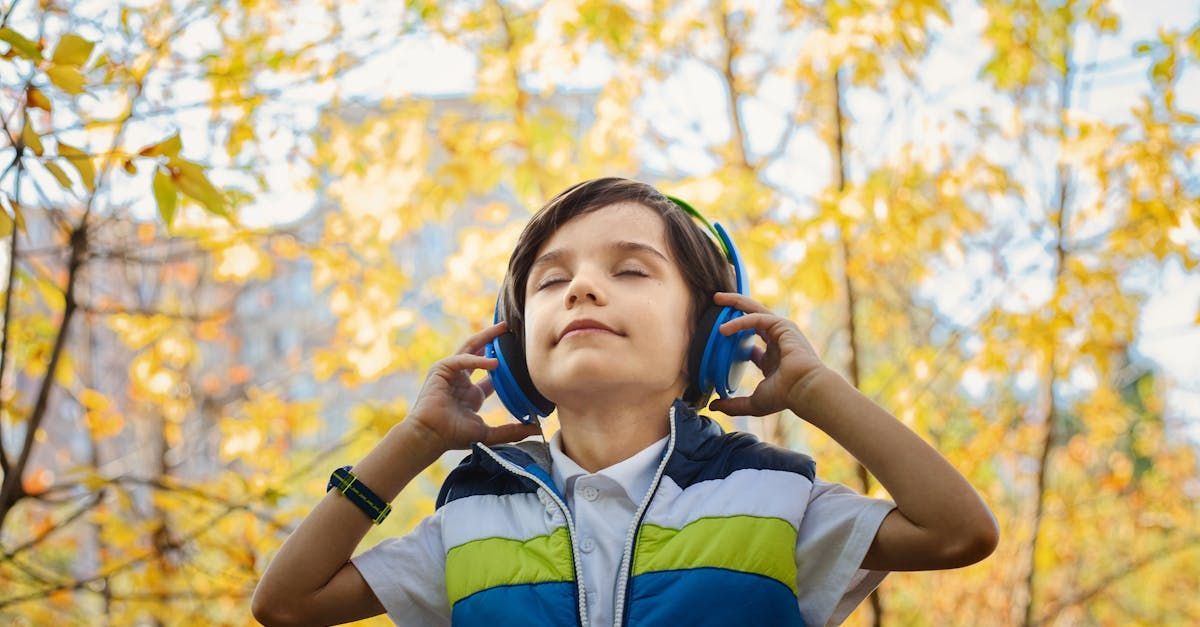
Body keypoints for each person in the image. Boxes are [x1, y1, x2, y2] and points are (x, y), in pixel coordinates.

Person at [252, 177, 999, 627]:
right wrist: (415, 440)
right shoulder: (470, 520)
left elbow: (958, 531)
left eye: (631, 270)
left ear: (708, 331)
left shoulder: (773, 500)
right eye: (551, 280)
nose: (580, 287)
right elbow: (285, 602)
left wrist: (813, 391)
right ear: (515, 353)